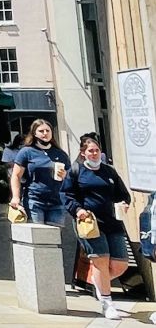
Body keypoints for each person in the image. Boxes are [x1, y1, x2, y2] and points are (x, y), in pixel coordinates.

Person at [63, 135, 131, 321]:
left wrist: (124, 203)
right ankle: (107, 303)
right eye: (90, 151)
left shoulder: (109, 172)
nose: (94, 154)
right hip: (90, 223)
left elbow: (122, 194)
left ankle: (98, 281)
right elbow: (67, 195)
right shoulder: (76, 171)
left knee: (120, 264)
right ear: (83, 153)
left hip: (112, 223)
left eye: (97, 150)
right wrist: (78, 210)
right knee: (101, 261)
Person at [10, 119, 71, 224]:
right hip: (34, 201)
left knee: (54, 238)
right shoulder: (26, 152)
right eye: (41, 131)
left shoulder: (61, 154)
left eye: (48, 131)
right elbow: (16, 176)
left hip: (56, 202)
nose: (45, 133)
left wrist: (66, 175)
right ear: (34, 133)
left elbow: (71, 178)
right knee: (38, 236)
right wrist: (16, 197)